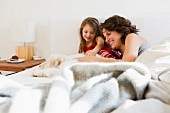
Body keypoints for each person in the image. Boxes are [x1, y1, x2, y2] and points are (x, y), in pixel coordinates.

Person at [78, 15, 151, 62]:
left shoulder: (132, 36)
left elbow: (127, 63)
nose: (107, 40)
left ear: (120, 30)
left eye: (108, 34)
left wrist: (97, 60)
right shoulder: (121, 54)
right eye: (105, 37)